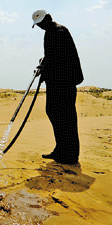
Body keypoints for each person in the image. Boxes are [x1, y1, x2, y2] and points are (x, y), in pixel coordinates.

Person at [32, 9, 83, 165]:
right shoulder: (52, 31)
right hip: (57, 82)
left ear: (47, 19)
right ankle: (61, 149)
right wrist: (44, 64)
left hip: (63, 82)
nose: (40, 27)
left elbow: (59, 59)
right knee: (55, 113)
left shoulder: (57, 32)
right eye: (38, 25)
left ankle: (70, 155)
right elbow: (52, 56)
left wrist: (45, 71)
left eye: (40, 24)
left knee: (65, 117)